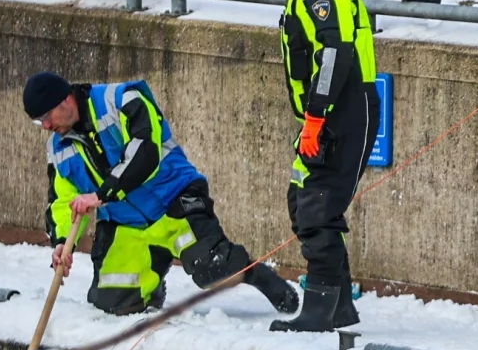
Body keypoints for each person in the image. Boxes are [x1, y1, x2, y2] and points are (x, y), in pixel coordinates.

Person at [26, 71, 299, 317]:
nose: (47, 126)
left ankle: (256, 275)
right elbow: (63, 201)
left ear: (65, 100)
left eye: (46, 117)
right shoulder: (58, 147)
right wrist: (63, 242)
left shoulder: (121, 100)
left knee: (213, 269)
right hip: (126, 224)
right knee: (112, 300)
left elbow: (145, 153)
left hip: (173, 200)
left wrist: (100, 195)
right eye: (40, 122)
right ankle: (151, 284)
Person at [242, 0, 379, 333]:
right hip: (324, 115)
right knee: (302, 202)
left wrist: (317, 118)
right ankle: (339, 307)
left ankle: (320, 311)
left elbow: (336, 53)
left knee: (318, 206)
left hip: (344, 111)